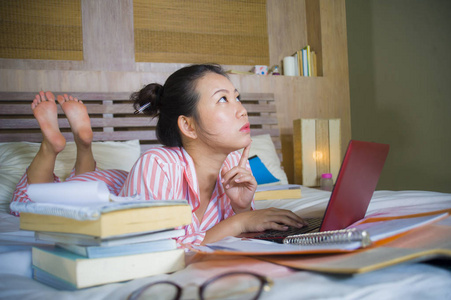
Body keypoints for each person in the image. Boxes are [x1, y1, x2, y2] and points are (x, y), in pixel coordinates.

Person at [11, 64, 306, 246]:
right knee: (30, 203)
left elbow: (225, 231)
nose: (241, 109)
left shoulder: (232, 165)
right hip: (122, 190)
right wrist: (240, 222)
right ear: (188, 126)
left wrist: (243, 209)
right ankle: (54, 146)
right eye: (223, 100)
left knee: (85, 179)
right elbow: (158, 245)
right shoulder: (157, 164)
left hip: (136, 189)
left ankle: (84, 144)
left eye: (237, 97)